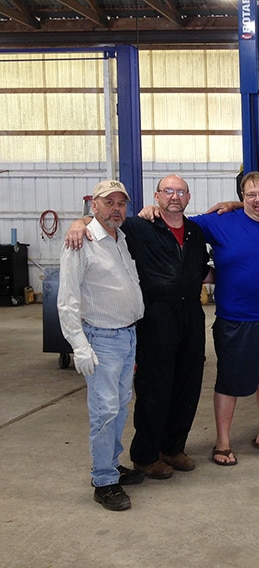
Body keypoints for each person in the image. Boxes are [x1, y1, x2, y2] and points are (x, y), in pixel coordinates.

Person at [145, 172, 259, 466]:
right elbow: (177, 226)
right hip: (236, 318)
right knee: (229, 382)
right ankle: (223, 442)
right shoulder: (219, 222)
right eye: (250, 195)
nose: (257, 200)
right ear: (242, 198)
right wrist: (154, 212)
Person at [66, 175, 210, 480]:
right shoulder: (139, 227)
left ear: (188, 197)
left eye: (180, 191)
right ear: (156, 196)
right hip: (156, 317)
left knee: (188, 384)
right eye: (168, 191)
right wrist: (77, 224)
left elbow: (201, 270)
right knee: (154, 387)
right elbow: (103, 220)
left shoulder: (196, 232)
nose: (175, 196)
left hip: (191, 316)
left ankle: (172, 448)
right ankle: (145, 455)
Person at [57, 180, 145, 511]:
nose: (116, 208)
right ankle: (104, 481)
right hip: (102, 338)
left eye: (121, 203)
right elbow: (67, 299)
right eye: (109, 203)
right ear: (94, 206)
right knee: (105, 410)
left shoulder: (119, 238)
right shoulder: (81, 241)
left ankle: (110, 463)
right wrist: (78, 344)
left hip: (127, 335)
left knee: (119, 405)